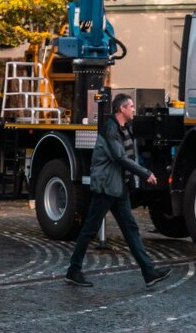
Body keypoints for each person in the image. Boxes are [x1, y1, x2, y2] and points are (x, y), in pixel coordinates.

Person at [65, 93, 171, 289]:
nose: (133, 109)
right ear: (121, 109)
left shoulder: (124, 128)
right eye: (130, 106)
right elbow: (120, 157)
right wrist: (146, 173)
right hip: (106, 187)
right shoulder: (110, 130)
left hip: (118, 187)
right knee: (89, 229)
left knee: (131, 229)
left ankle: (149, 272)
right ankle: (73, 271)